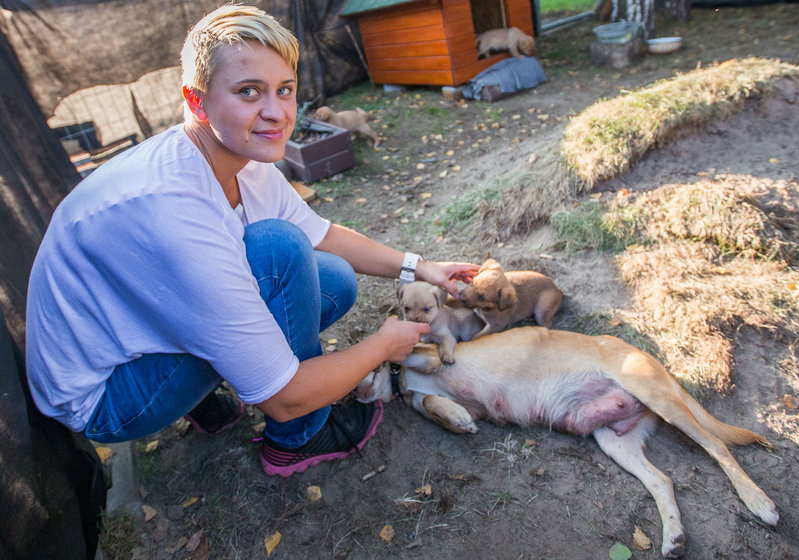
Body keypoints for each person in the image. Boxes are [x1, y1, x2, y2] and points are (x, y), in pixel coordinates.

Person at [25, 4, 478, 478]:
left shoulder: (239, 157)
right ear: (196, 101)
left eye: (284, 90)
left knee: (334, 278)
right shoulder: (175, 209)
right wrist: (382, 346)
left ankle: (203, 393)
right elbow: (284, 398)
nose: (276, 112)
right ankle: (298, 441)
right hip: (104, 395)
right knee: (278, 252)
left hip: (134, 331)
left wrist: (420, 267)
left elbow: (322, 235)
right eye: (248, 92)